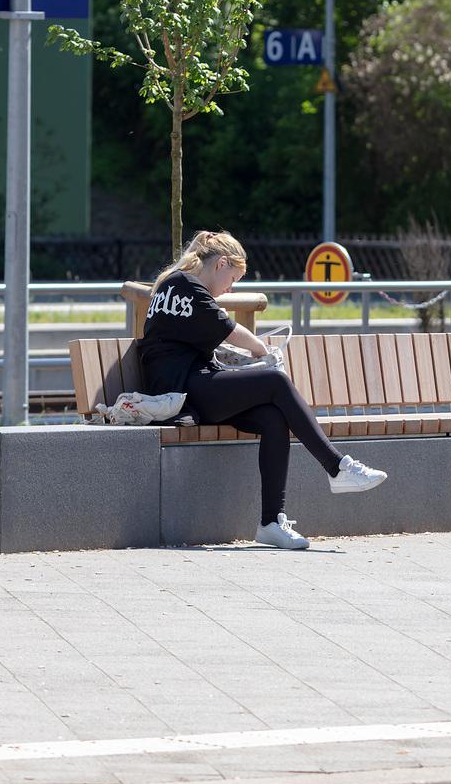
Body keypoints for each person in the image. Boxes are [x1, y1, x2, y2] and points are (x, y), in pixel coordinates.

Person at [139, 229, 388, 549]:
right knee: (276, 381)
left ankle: (271, 522)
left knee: (273, 417)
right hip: (182, 391)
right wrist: (263, 352)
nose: (230, 289)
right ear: (221, 264)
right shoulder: (186, 285)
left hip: (189, 387)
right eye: (233, 278)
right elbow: (229, 330)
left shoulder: (172, 283)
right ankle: (337, 467)